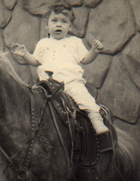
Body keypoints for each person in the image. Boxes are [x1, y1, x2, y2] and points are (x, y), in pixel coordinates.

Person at [10, 2, 109, 135]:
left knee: (84, 98)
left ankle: (96, 119)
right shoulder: (43, 43)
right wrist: (25, 54)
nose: (58, 24)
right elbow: (35, 61)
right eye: (54, 21)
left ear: (70, 26)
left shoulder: (75, 42)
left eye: (64, 21)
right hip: (46, 86)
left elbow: (85, 59)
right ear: (47, 25)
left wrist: (94, 51)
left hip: (71, 82)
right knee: (32, 102)